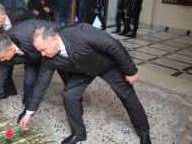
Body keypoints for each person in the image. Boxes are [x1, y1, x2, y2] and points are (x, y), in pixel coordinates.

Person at [19, 23, 151, 144]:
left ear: (54, 40)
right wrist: (29, 112)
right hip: (82, 70)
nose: (42, 54)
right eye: (39, 51)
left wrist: (130, 71)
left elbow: (113, 46)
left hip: (106, 65)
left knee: (126, 93)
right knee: (69, 94)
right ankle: (79, 133)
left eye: (43, 49)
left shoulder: (81, 31)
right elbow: (41, 83)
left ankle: (143, 131)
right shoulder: (46, 56)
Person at [0, 19, 68, 124]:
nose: (1, 60)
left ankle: (75, 100)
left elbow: (57, 34)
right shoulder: (2, 51)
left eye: (2, 57)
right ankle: (28, 109)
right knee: (29, 81)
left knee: (67, 77)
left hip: (51, 45)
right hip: (32, 55)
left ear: (11, 49)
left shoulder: (29, 33)